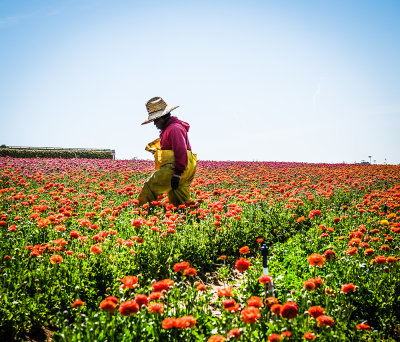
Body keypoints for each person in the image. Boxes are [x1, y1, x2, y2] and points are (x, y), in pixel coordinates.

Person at [137, 96, 197, 207]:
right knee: (179, 200)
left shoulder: (173, 129)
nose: (155, 124)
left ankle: (143, 214)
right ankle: (188, 219)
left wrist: (177, 174)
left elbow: (180, 150)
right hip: (186, 168)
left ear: (163, 117)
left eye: (155, 120)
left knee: (149, 187)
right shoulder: (172, 128)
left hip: (175, 168)